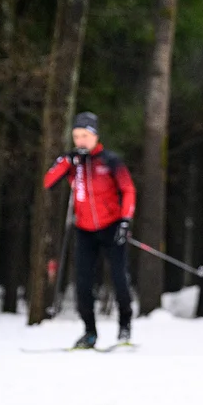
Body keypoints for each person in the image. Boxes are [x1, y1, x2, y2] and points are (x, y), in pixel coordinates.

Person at [43, 111, 137, 349]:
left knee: (119, 279)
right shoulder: (72, 162)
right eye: (76, 136)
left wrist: (125, 220)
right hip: (84, 230)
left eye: (85, 135)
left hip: (112, 227)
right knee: (83, 284)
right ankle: (89, 332)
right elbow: (48, 182)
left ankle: (125, 326)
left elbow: (128, 190)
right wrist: (66, 161)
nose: (80, 141)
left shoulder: (110, 160)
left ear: (95, 136)